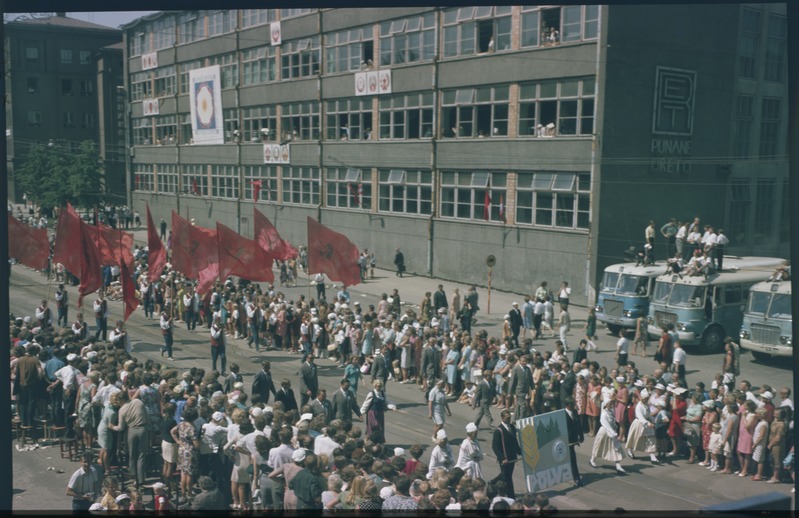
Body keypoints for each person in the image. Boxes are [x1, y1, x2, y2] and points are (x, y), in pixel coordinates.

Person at [108, 390, 149, 489]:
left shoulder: (122, 410)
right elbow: (146, 415)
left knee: (132, 455)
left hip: (131, 431)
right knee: (141, 455)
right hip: (142, 429)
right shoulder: (138, 402)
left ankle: (133, 477)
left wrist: (112, 427)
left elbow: (121, 428)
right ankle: (141, 478)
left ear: (122, 399)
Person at [589, 397, 627, 475]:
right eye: (610, 404)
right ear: (606, 405)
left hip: (611, 432)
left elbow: (613, 423)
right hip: (604, 432)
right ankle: (592, 459)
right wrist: (615, 434)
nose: (612, 405)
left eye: (612, 404)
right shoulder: (604, 414)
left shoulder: (611, 412)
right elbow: (606, 425)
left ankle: (618, 465)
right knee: (598, 446)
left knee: (615, 448)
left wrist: (615, 430)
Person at [625, 389, 659, 464]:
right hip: (639, 424)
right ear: (642, 398)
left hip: (647, 424)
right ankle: (630, 450)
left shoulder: (647, 405)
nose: (646, 400)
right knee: (634, 439)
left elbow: (648, 415)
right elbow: (640, 417)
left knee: (650, 440)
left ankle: (652, 457)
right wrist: (648, 423)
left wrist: (653, 420)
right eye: (645, 399)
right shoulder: (638, 406)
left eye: (647, 398)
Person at [492, 410, 521, 497]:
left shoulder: (512, 427)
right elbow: (495, 447)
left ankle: (494, 482)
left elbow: (514, 441)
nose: (509, 420)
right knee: (507, 477)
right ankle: (511, 495)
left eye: (510, 418)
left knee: (507, 475)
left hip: (512, 457)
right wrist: (502, 458)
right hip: (505, 459)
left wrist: (520, 452)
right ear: (502, 418)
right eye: (507, 418)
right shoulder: (498, 430)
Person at [563, 397, 585, 486]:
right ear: (567, 406)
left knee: (572, 458)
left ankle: (575, 476)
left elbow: (578, 424)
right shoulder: (562, 414)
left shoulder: (574, 412)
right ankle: (574, 476)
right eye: (571, 404)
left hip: (573, 440)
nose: (573, 406)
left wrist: (581, 435)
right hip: (565, 441)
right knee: (570, 458)